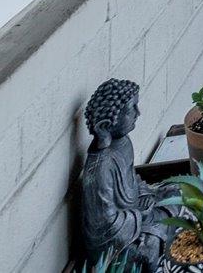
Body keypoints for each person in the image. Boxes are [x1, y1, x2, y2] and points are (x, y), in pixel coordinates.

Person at [78, 78, 178, 270]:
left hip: (138, 215)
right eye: (132, 108)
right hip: (116, 243)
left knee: (176, 192)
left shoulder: (124, 143)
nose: (138, 113)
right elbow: (105, 225)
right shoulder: (99, 168)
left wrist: (145, 195)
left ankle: (160, 234)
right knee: (148, 253)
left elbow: (133, 182)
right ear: (107, 124)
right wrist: (139, 214)